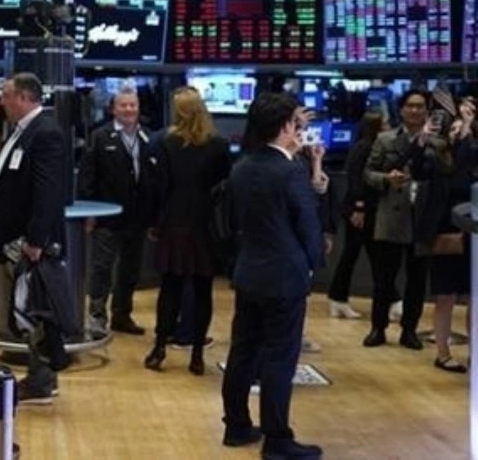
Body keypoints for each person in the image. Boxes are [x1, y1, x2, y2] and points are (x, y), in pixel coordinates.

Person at [221, 92, 324, 458]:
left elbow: (231, 222)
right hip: (285, 277)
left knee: (243, 351)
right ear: (285, 127)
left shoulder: (241, 167)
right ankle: (277, 439)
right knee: (280, 358)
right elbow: (308, 227)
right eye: (295, 122)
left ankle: (236, 426)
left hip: (249, 271)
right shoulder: (290, 171)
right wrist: (311, 265)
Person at [0, 72, 69, 405]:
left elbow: (48, 192)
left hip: (29, 244)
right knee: (25, 310)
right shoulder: (21, 131)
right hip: (12, 241)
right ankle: (40, 377)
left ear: (23, 97)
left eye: (6, 96)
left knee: (35, 311)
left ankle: (42, 380)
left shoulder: (46, 133)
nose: (1, 102)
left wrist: (35, 239)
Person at [144, 87, 230, 376]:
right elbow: (222, 186)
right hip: (205, 225)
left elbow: (157, 187)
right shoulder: (219, 145)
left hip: (173, 223)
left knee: (170, 289)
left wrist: (154, 222)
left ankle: (159, 348)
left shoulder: (164, 142)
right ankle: (196, 355)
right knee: (203, 291)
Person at [363, 90, 442, 350]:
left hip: (422, 218)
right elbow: (368, 173)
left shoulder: (438, 142)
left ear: (427, 111)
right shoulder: (385, 139)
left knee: (417, 280)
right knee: (384, 278)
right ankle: (378, 327)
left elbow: (445, 174)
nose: (415, 111)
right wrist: (386, 179)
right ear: (401, 109)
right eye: (410, 106)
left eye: (420, 106)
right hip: (392, 215)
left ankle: (410, 329)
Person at [78, 85, 151, 336]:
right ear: (113, 109)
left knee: (130, 269)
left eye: (133, 105)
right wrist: (89, 212)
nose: (128, 109)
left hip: (137, 217)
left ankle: (122, 315)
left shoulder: (148, 136)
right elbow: (87, 176)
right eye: (123, 105)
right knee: (102, 268)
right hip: (106, 217)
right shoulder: (99, 136)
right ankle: (97, 317)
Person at [419, 98, 472, 373]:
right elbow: (422, 170)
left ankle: (475, 352)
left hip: (472, 233)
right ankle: (443, 352)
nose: (457, 132)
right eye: (454, 128)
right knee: (445, 296)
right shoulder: (434, 155)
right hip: (445, 232)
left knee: (474, 297)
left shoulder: (471, 152)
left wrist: (467, 137)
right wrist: (421, 141)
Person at [327, 112, 388, 319]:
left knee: (361, 254)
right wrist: (359, 207)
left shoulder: (364, 146)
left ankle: (339, 298)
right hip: (359, 210)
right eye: (384, 123)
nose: (388, 126)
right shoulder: (364, 148)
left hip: (361, 208)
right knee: (361, 254)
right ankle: (339, 298)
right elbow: (356, 180)